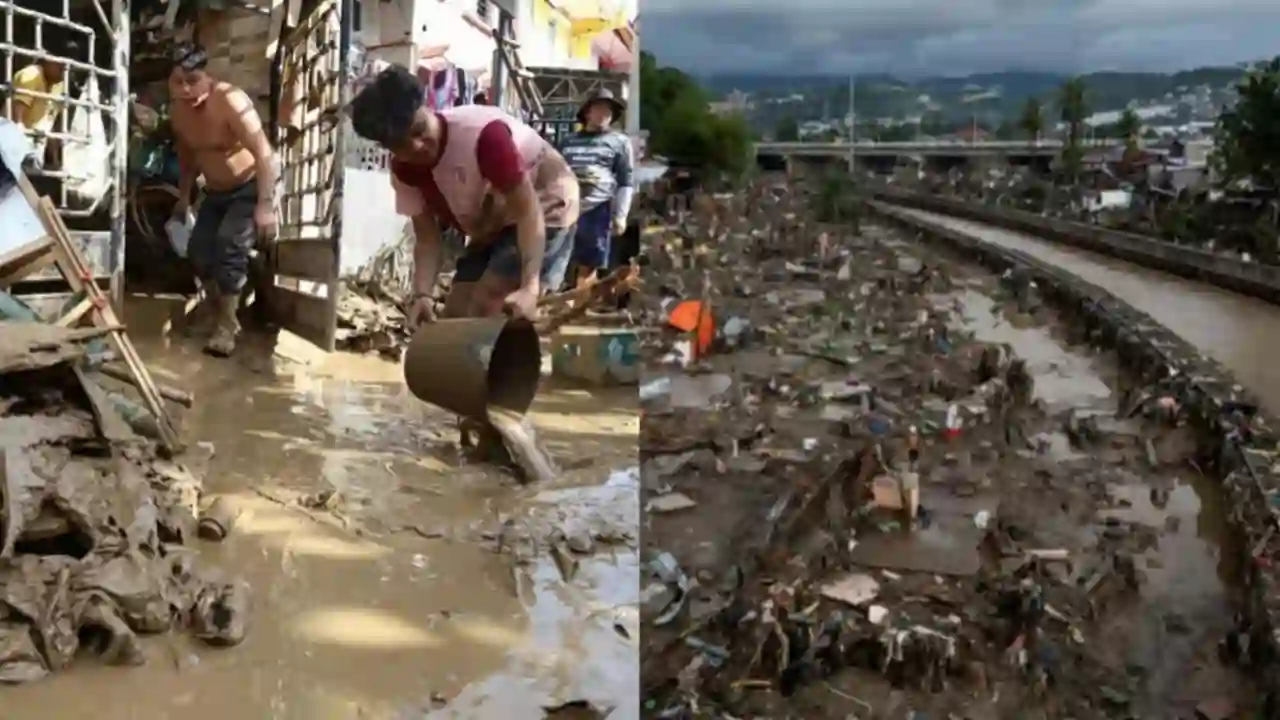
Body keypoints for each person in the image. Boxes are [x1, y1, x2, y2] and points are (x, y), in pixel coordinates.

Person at [349, 65, 578, 327]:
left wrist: (530, 286)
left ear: (427, 109)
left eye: (419, 130)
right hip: (494, 217)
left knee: (491, 301)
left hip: (545, 203)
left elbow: (528, 211)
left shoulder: (485, 137)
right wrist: (422, 295)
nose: (417, 147)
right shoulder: (405, 171)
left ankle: (508, 361)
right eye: (401, 145)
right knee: (455, 314)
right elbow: (427, 238)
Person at [167, 41, 280, 357]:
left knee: (229, 244)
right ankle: (217, 309)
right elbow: (188, 157)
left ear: (208, 77)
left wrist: (266, 204)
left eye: (194, 80)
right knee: (200, 251)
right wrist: (184, 197)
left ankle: (227, 326)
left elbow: (263, 152)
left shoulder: (230, 100)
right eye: (179, 82)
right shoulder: (178, 111)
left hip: (248, 186)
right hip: (214, 191)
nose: (188, 89)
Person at [560, 89, 633, 288]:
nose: (603, 115)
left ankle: (577, 307)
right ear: (587, 112)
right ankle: (557, 302)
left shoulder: (620, 142)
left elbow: (626, 181)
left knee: (589, 263)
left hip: (598, 208)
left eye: (608, 111)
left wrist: (621, 215)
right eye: (599, 109)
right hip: (565, 206)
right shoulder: (568, 141)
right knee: (559, 256)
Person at [9, 51, 68, 131]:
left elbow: (54, 116)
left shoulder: (60, 85)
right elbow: (17, 117)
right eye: (59, 67)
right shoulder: (31, 74)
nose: (63, 72)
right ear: (48, 60)